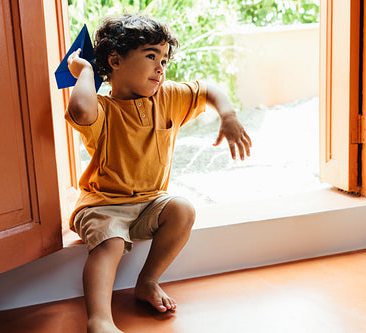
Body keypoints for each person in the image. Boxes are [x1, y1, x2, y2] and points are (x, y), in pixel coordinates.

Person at [65, 13, 252, 333]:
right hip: (103, 204)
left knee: (182, 209)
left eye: (164, 59)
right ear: (115, 61)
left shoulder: (168, 97)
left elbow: (209, 88)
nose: (160, 67)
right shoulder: (103, 110)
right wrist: (85, 70)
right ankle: (99, 320)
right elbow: (79, 110)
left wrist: (229, 115)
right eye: (151, 56)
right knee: (109, 243)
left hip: (150, 202)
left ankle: (148, 281)